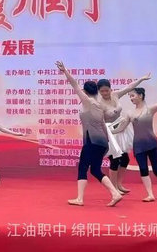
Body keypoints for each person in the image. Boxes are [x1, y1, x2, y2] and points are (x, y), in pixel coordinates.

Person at [55, 62, 122, 207]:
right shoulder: (99, 105)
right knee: (95, 170)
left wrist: (65, 71)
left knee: (83, 167)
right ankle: (114, 193)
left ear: (85, 92)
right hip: (101, 142)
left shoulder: (88, 102)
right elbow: (103, 124)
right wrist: (108, 142)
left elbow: (74, 84)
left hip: (92, 141)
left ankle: (80, 199)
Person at [111, 82, 157, 202]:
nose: (131, 98)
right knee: (143, 169)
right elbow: (121, 128)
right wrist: (109, 132)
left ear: (140, 96)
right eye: (130, 96)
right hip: (138, 146)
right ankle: (150, 194)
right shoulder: (130, 113)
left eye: (133, 96)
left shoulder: (150, 109)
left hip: (152, 144)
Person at [97, 74, 151, 194]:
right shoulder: (98, 103)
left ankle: (119, 184)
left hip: (121, 127)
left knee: (125, 159)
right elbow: (98, 120)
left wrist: (141, 79)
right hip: (109, 130)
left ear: (110, 89)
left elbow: (129, 87)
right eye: (102, 91)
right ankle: (114, 188)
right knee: (115, 160)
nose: (105, 93)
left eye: (107, 90)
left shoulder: (115, 95)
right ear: (99, 91)